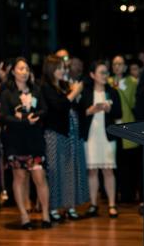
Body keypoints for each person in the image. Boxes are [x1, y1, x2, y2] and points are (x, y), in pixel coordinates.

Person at [0, 57, 51, 229]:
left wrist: (35, 116)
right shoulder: (7, 91)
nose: (24, 72)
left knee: (39, 176)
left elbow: (45, 109)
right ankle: (24, 216)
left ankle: (45, 215)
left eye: (27, 69)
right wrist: (22, 119)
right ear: (13, 71)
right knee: (19, 177)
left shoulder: (36, 89)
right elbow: (5, 116)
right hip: (15, 140)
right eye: (21, 68)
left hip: (35, 139)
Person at [41, 55, 89, 221]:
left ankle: (70, 206)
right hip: (54, 133)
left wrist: (76, 94)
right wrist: (75, 92)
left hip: (71, 133)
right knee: (54, 171)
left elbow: (77, 107)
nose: (63, 71)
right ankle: (53, 208)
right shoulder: (46, 87)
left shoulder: (63, 85)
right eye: (59, 68)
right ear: (51, 70)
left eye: (63, 68)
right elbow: (59, 106)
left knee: (70, 169)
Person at [80, 60, 122, 218]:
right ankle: (93, 204)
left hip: (107, 136)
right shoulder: (85, 92)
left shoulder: (112, 92)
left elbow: (119, 114)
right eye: (101, 72)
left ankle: (112, 204)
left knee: (108, 170)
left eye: (106, 72)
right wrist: (90, 110)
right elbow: (79, 113)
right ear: (92, 75)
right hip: (91, 135)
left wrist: (110, 109)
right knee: (92, 171)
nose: (105, 75)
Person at [108, 55, 140, 203]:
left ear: (125, 67)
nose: (117, 66)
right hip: (113, 127)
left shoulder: (133, 82)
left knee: (130, 162)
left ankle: (131, 194)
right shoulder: (108, 81)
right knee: (116, 162)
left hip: (129, 125)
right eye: (115, 64)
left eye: (120, 64)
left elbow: (135, 103)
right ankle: (117, 194)